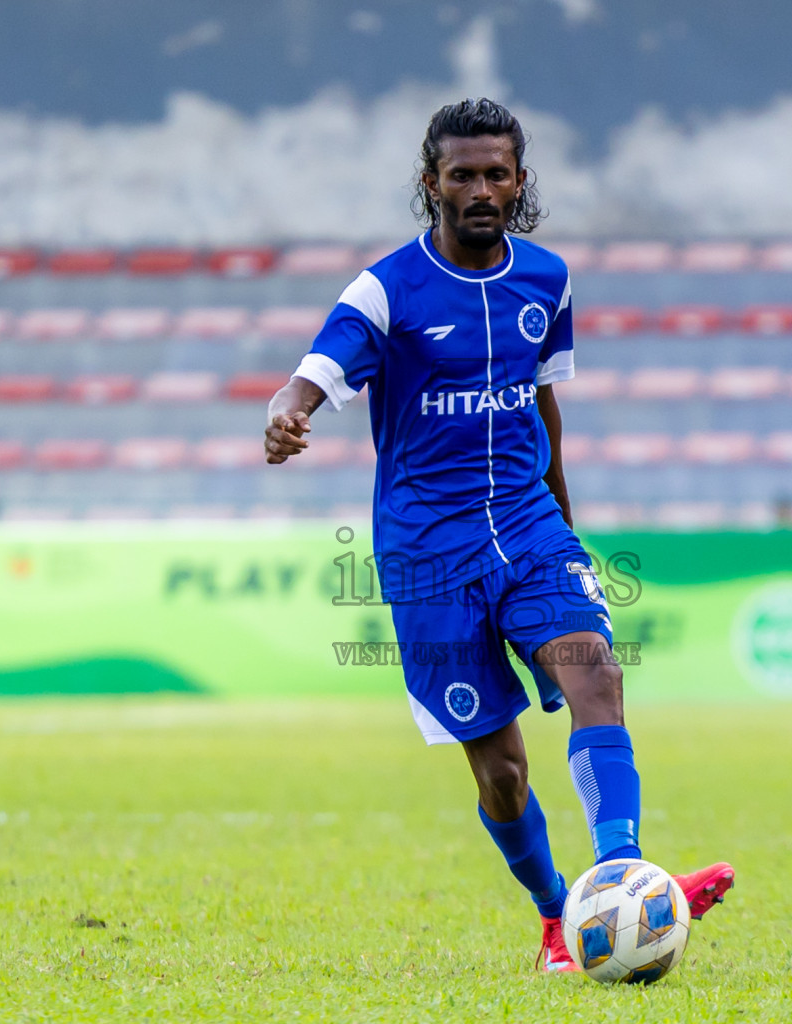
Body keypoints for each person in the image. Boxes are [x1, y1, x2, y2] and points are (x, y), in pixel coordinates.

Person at [263, 98, 733, 974]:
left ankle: (622, 876)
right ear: (430, 184)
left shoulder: (548, 280)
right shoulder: (386, 289)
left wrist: (566, 526)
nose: (482, 189)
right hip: (429, 551)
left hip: (527, 525)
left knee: (596, 669)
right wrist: (289, 416)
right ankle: (562, 916)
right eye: (462, 175)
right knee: (503, 774)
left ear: (520, 181)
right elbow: (314, 373)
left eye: (497, 173)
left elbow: (543, 404)